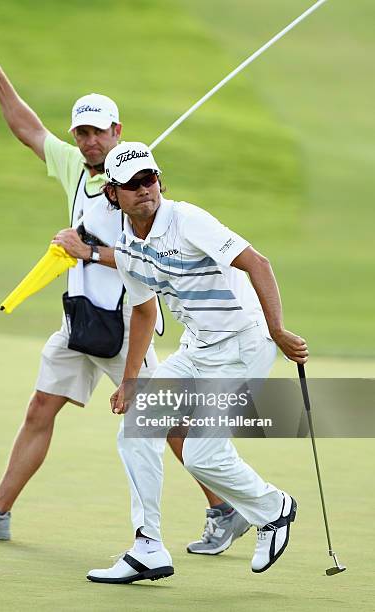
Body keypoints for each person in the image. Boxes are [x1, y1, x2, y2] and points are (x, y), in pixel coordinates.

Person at [0, 39, 246, 550]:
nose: (88, 141)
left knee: (163, 422)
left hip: (127, 326)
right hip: (80, 321)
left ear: (116, 131)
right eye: (81, 132)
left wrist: (85, 250)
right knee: (40, 407)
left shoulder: (139, 187)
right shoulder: (74, 169)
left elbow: (149, 263)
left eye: (98, 131)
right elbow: (27, 128)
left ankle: (226, 509)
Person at [84, 141, 308, 584]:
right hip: (197, 348)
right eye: (131, 184)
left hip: (244, 345)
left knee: (204, 455)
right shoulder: (127, 247)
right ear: (113, 194)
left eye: (149, 179)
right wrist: (130, 382)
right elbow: (144, 310)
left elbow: (257, 263)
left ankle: (273, 509)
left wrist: (278, 329)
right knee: (136, 428)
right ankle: (147, 547)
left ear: (159, 179)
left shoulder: (187, 220)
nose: (143, 189)